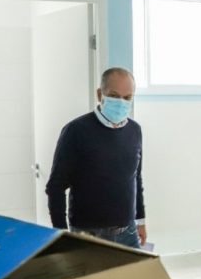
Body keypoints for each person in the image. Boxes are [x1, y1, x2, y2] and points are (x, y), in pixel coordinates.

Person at [45, 67, 146, 248]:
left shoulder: (134, 130)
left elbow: (135, 178)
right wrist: (61, 234)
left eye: (127, 97)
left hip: (128, 232)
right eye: (114, 96)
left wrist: (140, 220)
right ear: (100, 94)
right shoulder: (76, 131)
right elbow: (55, 187)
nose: (121, 102)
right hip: (88, 234)